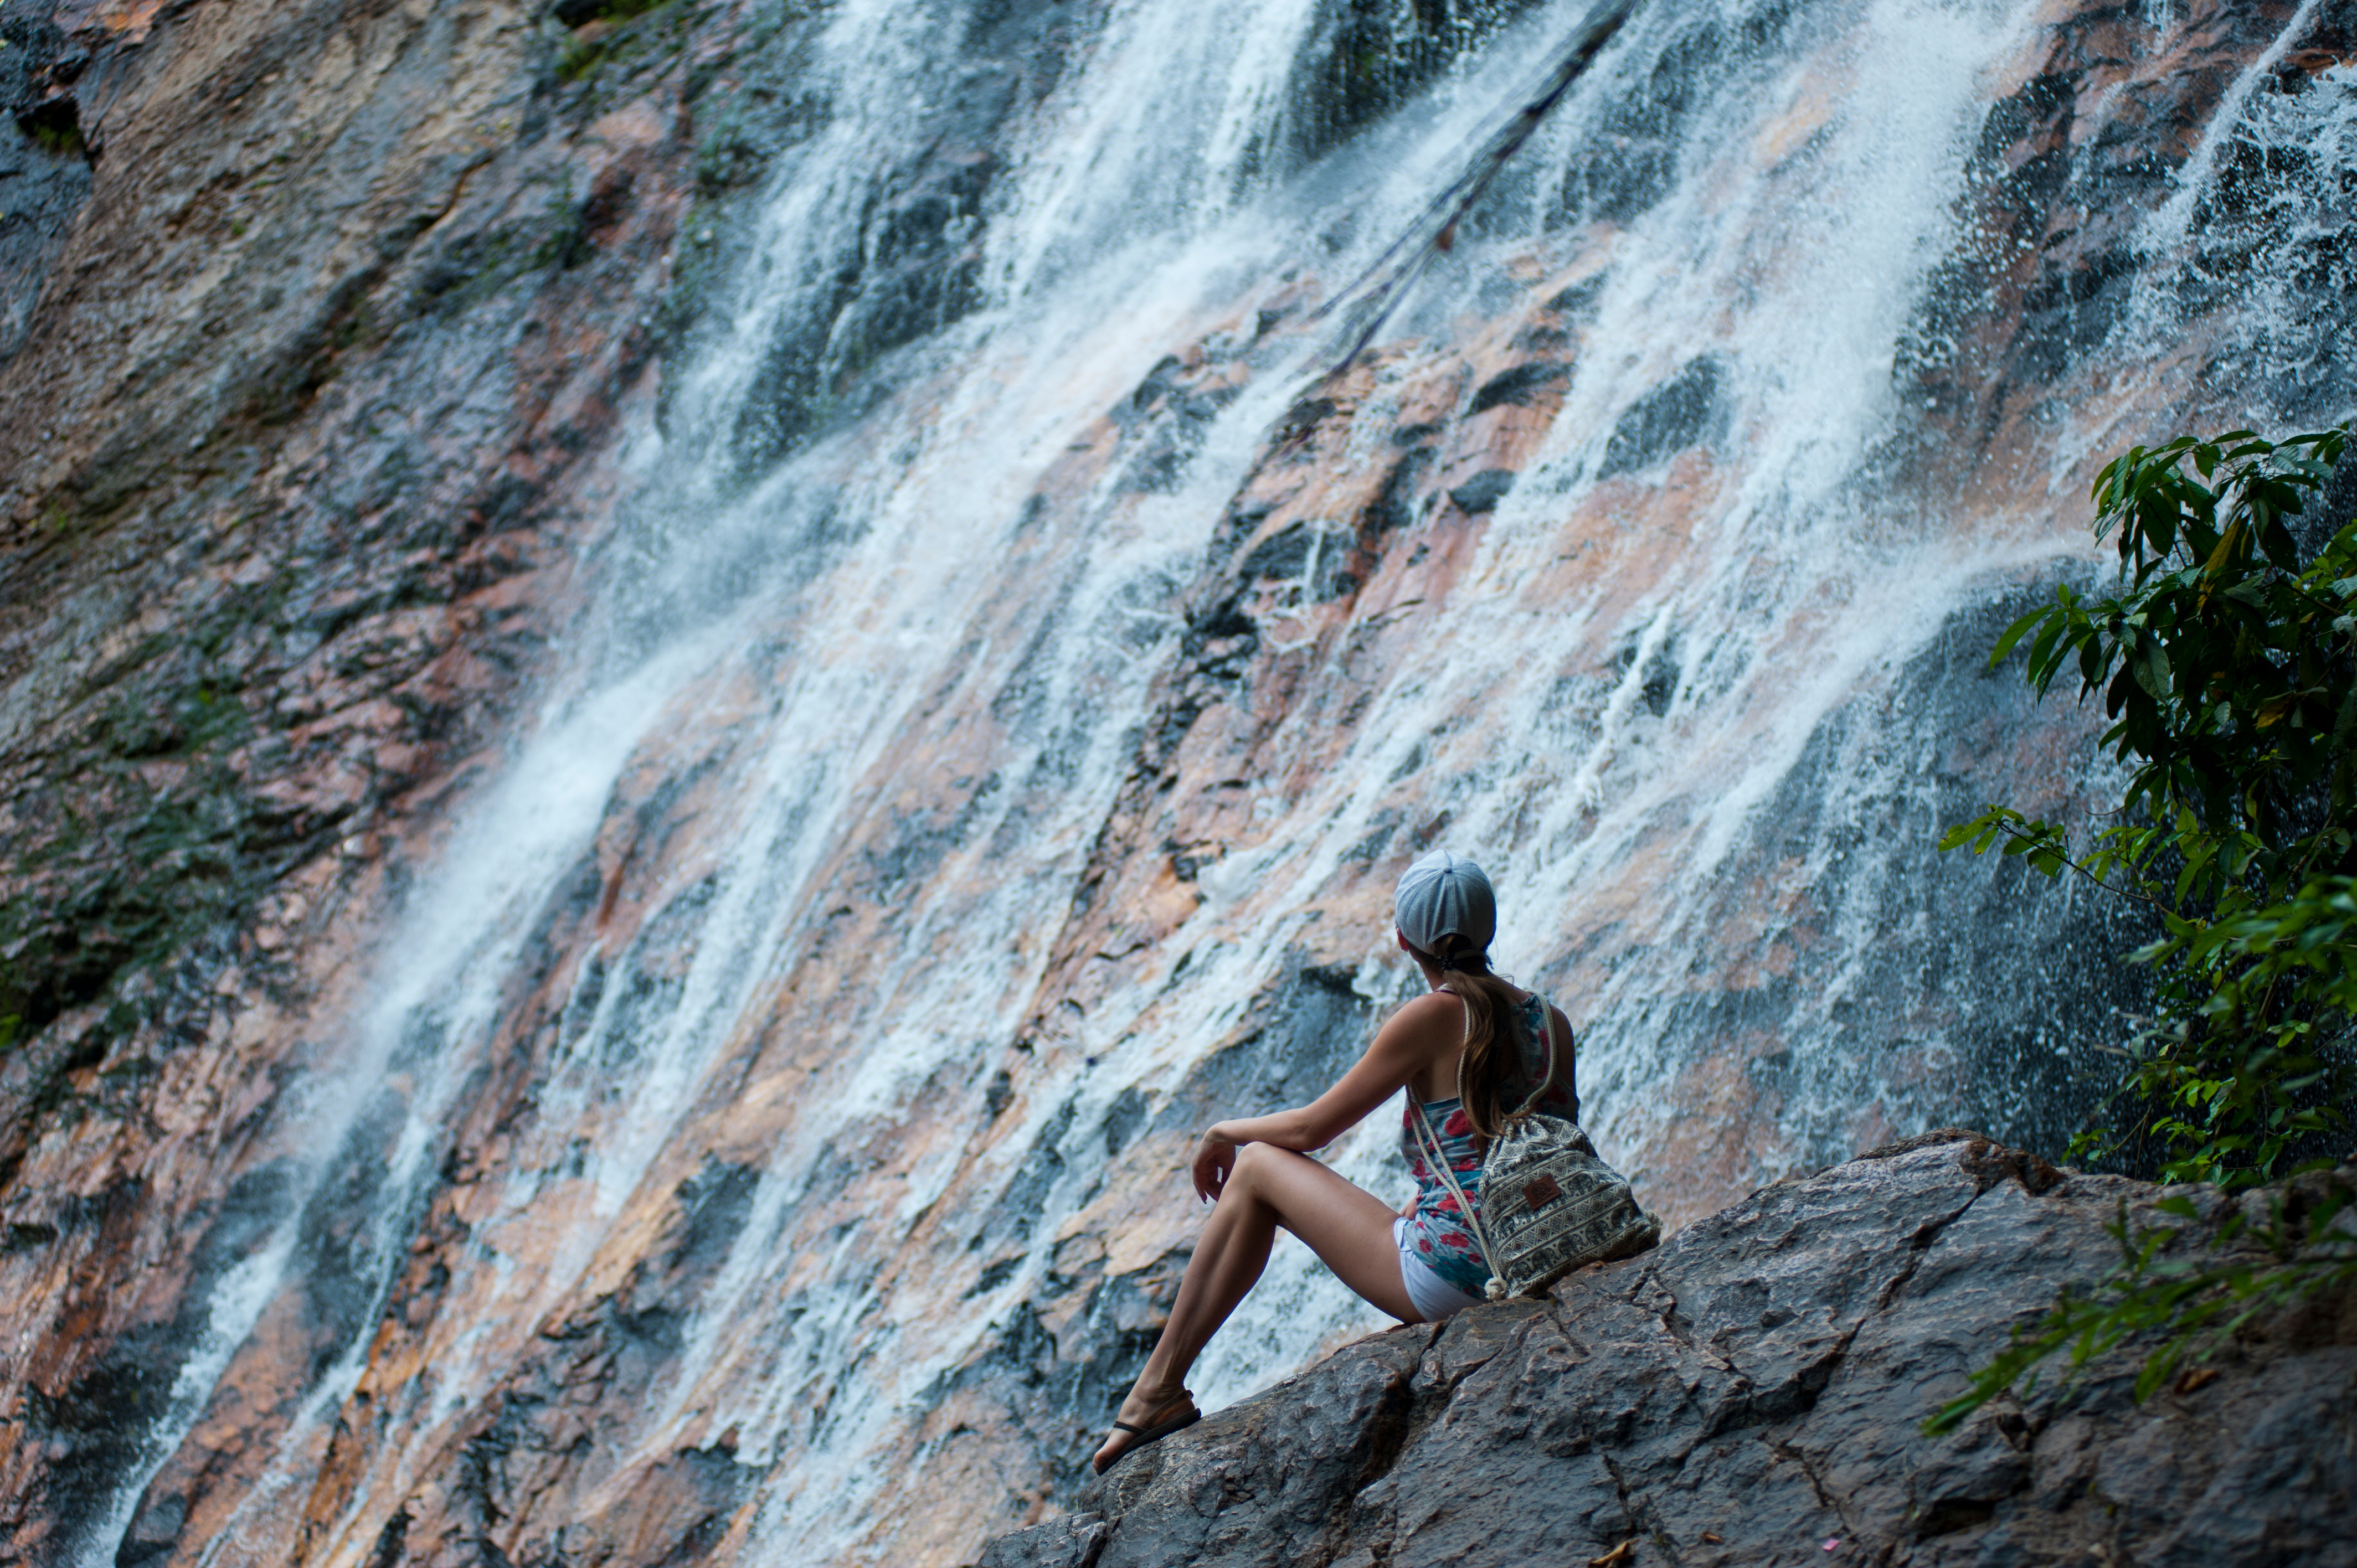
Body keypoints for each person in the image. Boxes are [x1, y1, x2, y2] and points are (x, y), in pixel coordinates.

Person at [1092, 849, 1579, 1474]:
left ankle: (1156, 1390)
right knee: (1354, 1192)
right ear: (1488, 930)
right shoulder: (1551, 1022)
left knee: (1260, 1166)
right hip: (1541, 1251)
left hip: (1460, 1278)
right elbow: (1530, 1150)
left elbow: (1311, 1128)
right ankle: (1155, 1392)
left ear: (1404, 940)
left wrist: (1222, 1130)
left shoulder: (1430, 1015)